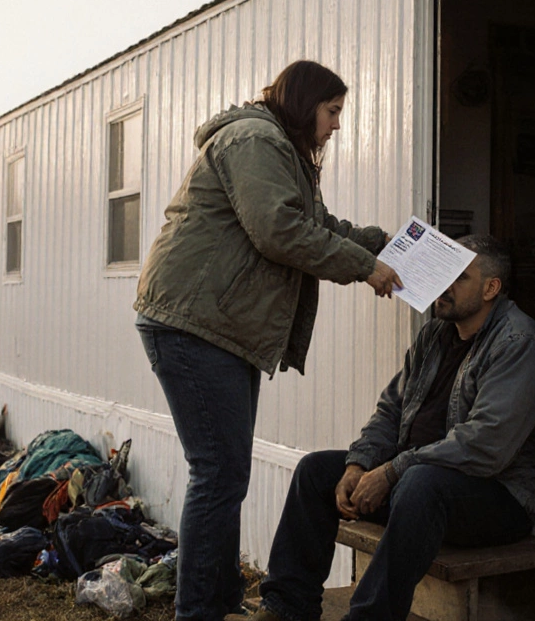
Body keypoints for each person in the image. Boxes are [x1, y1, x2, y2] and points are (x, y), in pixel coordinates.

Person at [133, 59, 404, 621]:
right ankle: (201, 611)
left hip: (218, 326)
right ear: (307, 104)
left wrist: (386, 245)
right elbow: (278, 231)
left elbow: (318, 224)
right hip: (195, 323)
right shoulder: (256, 140)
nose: (334, 126)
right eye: (332, 112)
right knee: (219, 474)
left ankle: (217, 604)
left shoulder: (279, 148)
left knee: (223, 474)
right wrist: (364, 267)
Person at [233, 235, 535, 621]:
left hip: (497, 497)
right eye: (441, 273)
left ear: (491, 288)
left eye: (458, 277)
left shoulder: (520, 342)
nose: (443, 285)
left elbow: (484, 446)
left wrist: (391, 471)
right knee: (316, 471)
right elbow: (391, 410)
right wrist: (360, 464)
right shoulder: (435, 335)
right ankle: (286, 608)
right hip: (415, 485)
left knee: (421, 483)